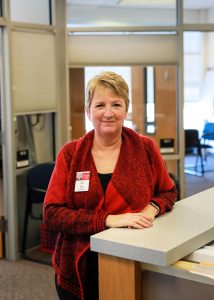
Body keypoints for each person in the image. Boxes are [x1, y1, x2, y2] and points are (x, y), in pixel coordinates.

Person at [43, 71, 177, 300]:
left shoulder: (146, 148)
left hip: (131, 259)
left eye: (116, 104)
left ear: (126, 109)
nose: (108, 113)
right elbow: (52, 214)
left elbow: (169, 191)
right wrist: (106, 220)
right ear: (88, 111)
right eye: (99, 105)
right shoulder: (71, 154)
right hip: (78, 264)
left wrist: (150, 209)